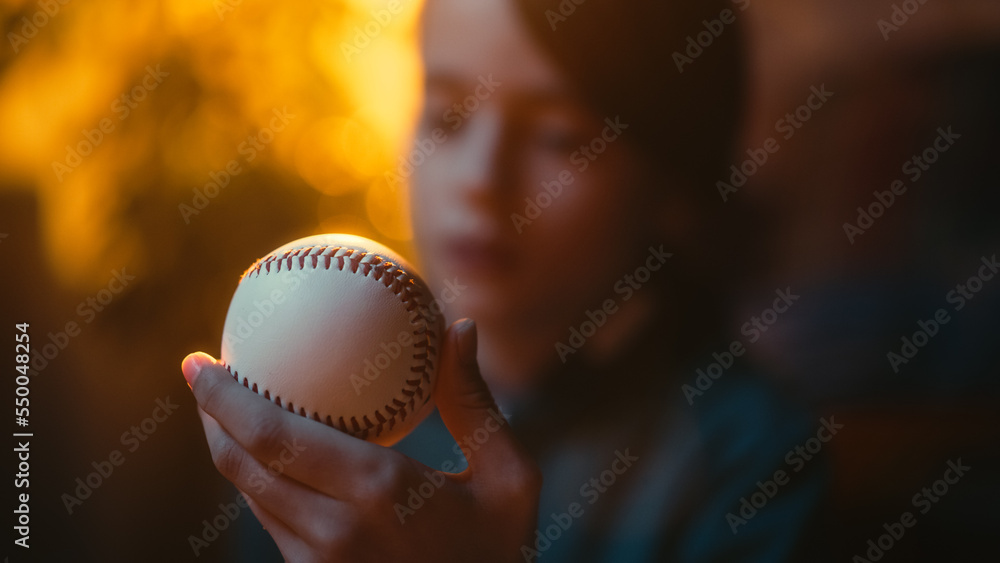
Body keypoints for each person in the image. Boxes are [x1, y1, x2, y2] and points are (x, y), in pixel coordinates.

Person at [181, 0, 829, 560]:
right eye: (448, 118)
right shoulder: (306, 399)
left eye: (559, 135)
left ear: (674, 182)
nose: (481, 180)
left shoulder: (753, 467)